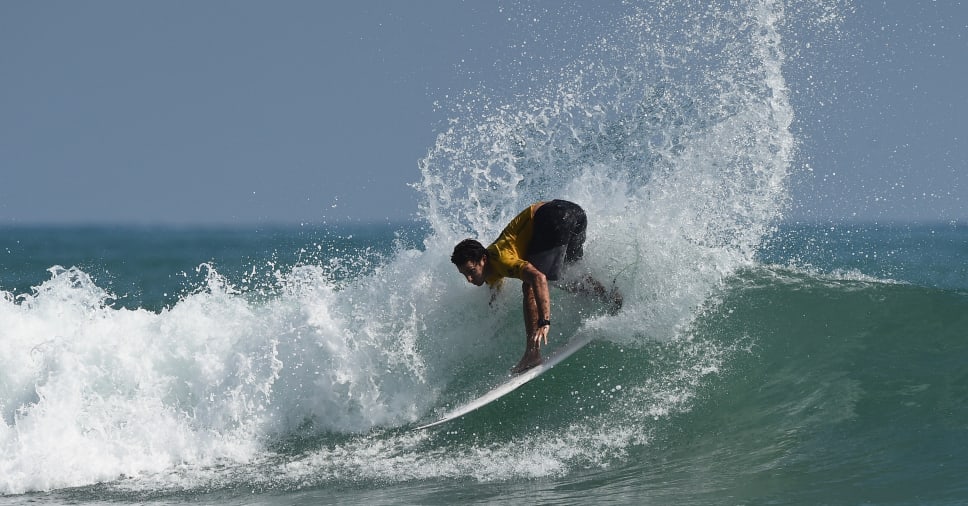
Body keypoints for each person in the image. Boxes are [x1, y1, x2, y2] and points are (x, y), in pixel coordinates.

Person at [450, 199, 621, 373]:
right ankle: (612, 298)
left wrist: (544, 321)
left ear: (483, 260)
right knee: (566, 274)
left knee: (531, 284)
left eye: (471, 271)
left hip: (554, 217)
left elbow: (537, 277)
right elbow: (495, 291)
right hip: (575, 214)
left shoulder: (501, 258)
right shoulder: (491, 271)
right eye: (464, 274)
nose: (469, 279)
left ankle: (533, 353)